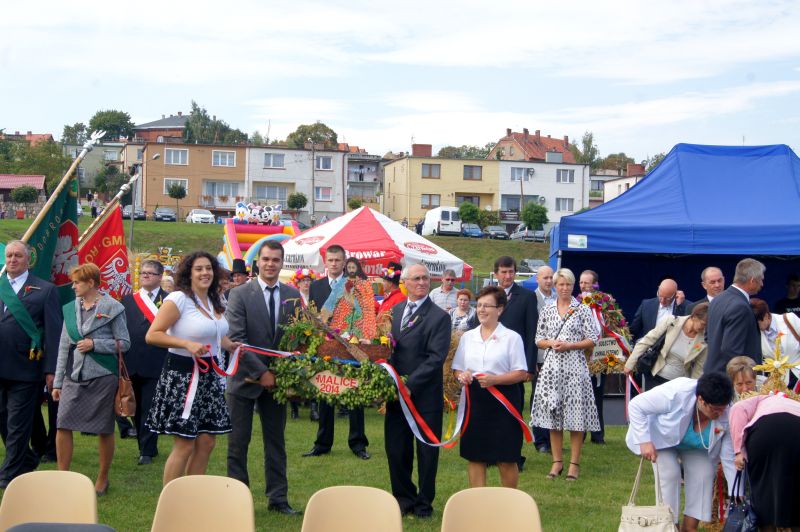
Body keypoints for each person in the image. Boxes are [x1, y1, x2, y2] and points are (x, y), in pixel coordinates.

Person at [145, 251, 241, 485]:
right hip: (183, 378)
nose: (205, 273)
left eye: (208, 268)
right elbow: (152, 335)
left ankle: (192, 495)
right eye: (199, 269)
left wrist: (229, 345)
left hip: (210, 377)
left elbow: (214, 332)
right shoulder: (178, 299)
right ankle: (169, 499)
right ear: (189, 273)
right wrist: (186, 344)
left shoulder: (215, 299)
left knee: (207, 441)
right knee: (185, 443)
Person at [226, 241, 302, 516]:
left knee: (276, 443)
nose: (270, 264)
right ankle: (237, 500)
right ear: (257, 262)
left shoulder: (292, 295)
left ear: (282, 263)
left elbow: (297, 338)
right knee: (238, 443)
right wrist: (262, 372)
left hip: (278, 383)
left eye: (276, 260)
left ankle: (278, 499)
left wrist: (285, 374)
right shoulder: (239, 294)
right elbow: (237, 339)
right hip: (243, 380)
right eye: (266, 259)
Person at [52, 263, 130, 496]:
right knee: (62, 423)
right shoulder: (71, 308)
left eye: (77, 282)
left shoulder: (113, 307)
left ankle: (102, 479)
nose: (73, 286)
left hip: (103, 377)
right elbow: (63, 347)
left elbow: (124, 343)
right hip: (74, 376)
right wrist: (57, 382)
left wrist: (95, 344)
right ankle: (62, 477)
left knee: (104, 429)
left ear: (91, 283)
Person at [626, 373, 735, 532]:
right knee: (670, 473)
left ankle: (689, 528)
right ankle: (670, 526)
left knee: (705, 473)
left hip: (697, 448)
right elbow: (636, 405)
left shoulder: (728, 411)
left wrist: (735, 491)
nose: (720, 413)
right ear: (701, 400)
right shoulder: (676, 393)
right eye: (715, 409)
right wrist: (644, 441)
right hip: (661, 440)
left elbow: (728, 456)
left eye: (723, 408)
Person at [386, 264, 451, 517]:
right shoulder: (394, 311)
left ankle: (424, 504)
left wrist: (409, 385)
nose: (422, 282)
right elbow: (387, 348)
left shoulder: (439, 317)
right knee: (396, 449)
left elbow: (436, 358)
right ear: (405, 282)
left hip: (424, 396)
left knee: (426, 452)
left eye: (425, 278)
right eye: (417, 278)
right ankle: (403, 499)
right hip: (395, 396)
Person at [0, 241, 62, 488]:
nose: (12, 260)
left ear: (28, 260)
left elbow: (54, 333)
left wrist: (51, 369)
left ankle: (8, 474)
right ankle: (26, 459)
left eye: (17, 256)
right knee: (3, 420)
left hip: (26, 367)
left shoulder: (45, 290)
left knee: (17, 423)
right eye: (9, 256)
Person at [452, 286, 528, 488]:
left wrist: (496, 379)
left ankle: (509, 501)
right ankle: (479, 501)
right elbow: (457, 369)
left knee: (506, 457)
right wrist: (463, 375)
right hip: (475, 401)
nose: (481, 310)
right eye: (479, 305)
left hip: (504, 401)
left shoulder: (512, 338)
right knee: (475, 455)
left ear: (500, 309)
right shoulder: (468, 337)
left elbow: (521, 373)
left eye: (487, 306)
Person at [532, 268, 600, 481]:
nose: (564, 288)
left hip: (575, 369)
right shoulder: (548, 309)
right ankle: (557, 462)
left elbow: (593, 338)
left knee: (576, 417)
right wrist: (551, 343)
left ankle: (574, 464)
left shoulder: (582, 309)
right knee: (554, 415)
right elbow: (538, 339)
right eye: (561, 284)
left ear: (573, 286)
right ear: (555, 285)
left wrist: (570, 345)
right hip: (552, 369)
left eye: (568, 284)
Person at [303, 245, 369, 459]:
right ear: (325, 262)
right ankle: (322, 443)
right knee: (325, 393)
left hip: (350, 347)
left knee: (355, 394)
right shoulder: (316, 286)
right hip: (325, 348)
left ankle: (358, 444)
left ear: (344, 262)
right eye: (330, 260)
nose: (333, 264)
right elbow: (314, 316)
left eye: (337, 260)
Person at [120, 259, 168, 466]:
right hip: (132, 360)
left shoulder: (169, 300)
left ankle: (146, 450)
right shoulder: (128, 300)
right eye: (143, 273)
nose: (145, 276)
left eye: (150, 273)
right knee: (135, 407)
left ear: (160, 277)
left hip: (157, 361)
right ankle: (145, 444)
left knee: (150, 406)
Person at [729, 392, 800, 529]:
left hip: (765, 432)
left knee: (763, 491)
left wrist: (738, 450)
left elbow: (737, 409)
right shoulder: (795, 404)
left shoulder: (758, 399)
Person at [624, 303, 709, 389]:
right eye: (703, 324)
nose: (705, 328)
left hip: (680, 385)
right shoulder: (671, 321)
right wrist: (630, 364)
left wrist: (694, 389)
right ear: (694, 317)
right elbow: (647, 340)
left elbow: (699, 369)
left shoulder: (705, 340)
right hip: (655, 377)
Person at [704, 258, 765, 374]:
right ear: (752, 280)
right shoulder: (740, 306)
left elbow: (708, 337)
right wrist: (743, 379)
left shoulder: (717, 300)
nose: (762, 284)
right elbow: (731, 349)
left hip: (713, 373)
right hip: (731, 378)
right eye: (761, 279)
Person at [578, 269, 607, 445]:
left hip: (599, 357)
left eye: (586, 283)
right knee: (580, 398)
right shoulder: (575, 304)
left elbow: (612, 329)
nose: (583, 286)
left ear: (595, 285)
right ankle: (579, 434)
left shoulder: (605, 304)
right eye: (581, 282)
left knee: (597, 397)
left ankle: (598, 435)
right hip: (580, 358)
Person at [751, 297, 800, 388]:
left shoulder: (789, 318)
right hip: (780, 382)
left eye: (757, 323)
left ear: (766, 316)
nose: (755, 327)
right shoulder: (756, 333)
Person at [531, 265, 555, 452]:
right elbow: (530, 330)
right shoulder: (531, 299)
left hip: (558, 356)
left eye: (550, 277)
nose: (548, 281)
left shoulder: (559, 298)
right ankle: (541, 440)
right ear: (537, 279)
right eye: (545, 277)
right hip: (539, 357)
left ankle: (553, 439)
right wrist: (532, 360)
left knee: (555, 399)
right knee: (540, 398)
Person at [629, 278, 691, 342]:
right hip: (649, 346)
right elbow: (633, 331)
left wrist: (679, 306)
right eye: (660, 296)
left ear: (676, 294)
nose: (662, 301)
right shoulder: (646, 305)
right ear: (658, 289)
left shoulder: (687, 307)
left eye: (667, 298)